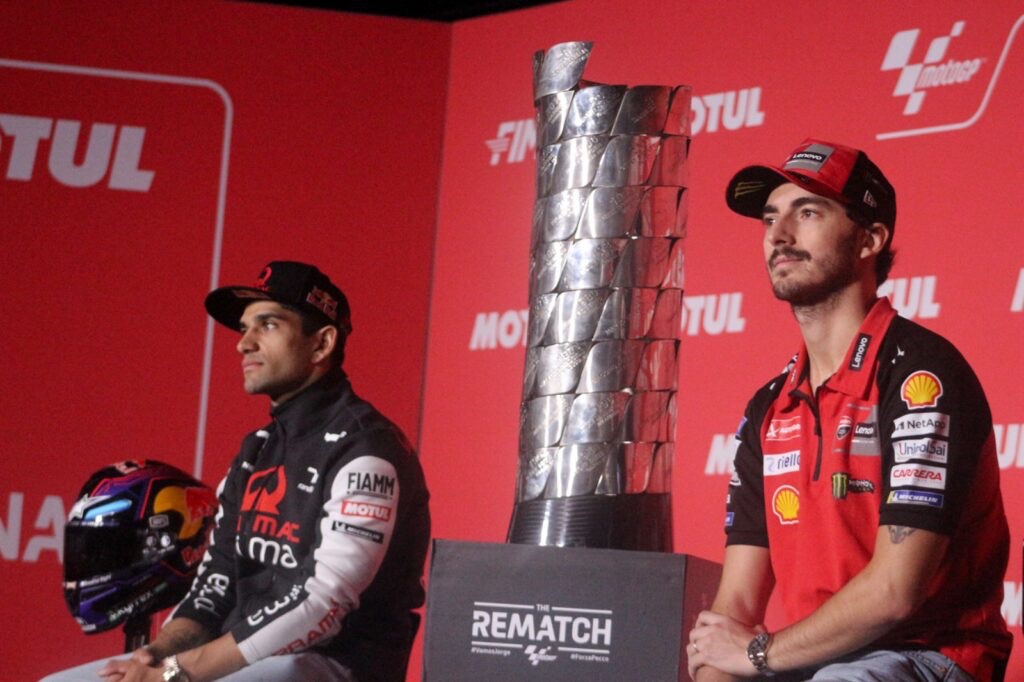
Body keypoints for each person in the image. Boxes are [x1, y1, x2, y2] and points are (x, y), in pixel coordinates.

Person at [686, 140, 1011, 681]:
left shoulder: (919, 377)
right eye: (771, 219)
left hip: (929, 656)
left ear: (870, 238)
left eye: (807, 213)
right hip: (809, 659)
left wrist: (756, 656)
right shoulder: (769, 408)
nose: (779, 236)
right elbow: (734, 609)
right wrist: (725, 665)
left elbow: (893, 593)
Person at [47, 261, 430, 682]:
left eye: (267, 325)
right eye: (244, 329)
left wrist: (179, 672)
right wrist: (155, 655)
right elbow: (217, 578)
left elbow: (321, 605)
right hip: (240, 662)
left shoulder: (368, 451)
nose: (243, 344)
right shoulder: (257, 449)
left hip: (334, 664)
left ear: (321, 344)